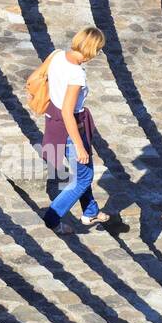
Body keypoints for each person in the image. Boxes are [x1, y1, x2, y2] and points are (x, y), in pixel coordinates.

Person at [42, 27, 109, 233]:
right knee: (83, 178)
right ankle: (52, 218)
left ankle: (90, 211)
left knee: (82, 173)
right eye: (98, 50)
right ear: (91, 48)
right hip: (71, 128)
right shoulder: (76, 74)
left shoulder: (57, 55)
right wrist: (79, 146)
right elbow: (68, 112)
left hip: (52, 119)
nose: (98, 54)